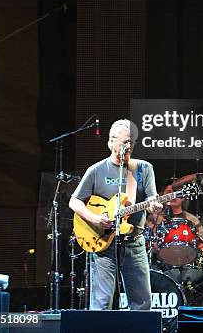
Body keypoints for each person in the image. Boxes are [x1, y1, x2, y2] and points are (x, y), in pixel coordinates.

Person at [69, 118, 162, 310]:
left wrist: (154, 206)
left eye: (131, 142)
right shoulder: (96, 170)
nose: (128, 146)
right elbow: (74, 201)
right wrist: (95, 218)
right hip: (104, 245)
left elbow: (152, 198)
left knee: (142, 303)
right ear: (111, 142)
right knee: (101, 304)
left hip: (134, 242)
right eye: (124, 142)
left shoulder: (144, 168)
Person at [146, 179, 203, 305]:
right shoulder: (152, 219)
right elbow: (145, 246)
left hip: (189, 265)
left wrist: (201, 259)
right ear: (162, 196)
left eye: (177, 192)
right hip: (162, 266)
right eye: (170, 192)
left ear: (184, 196)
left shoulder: (192, 219)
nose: (174, 195)